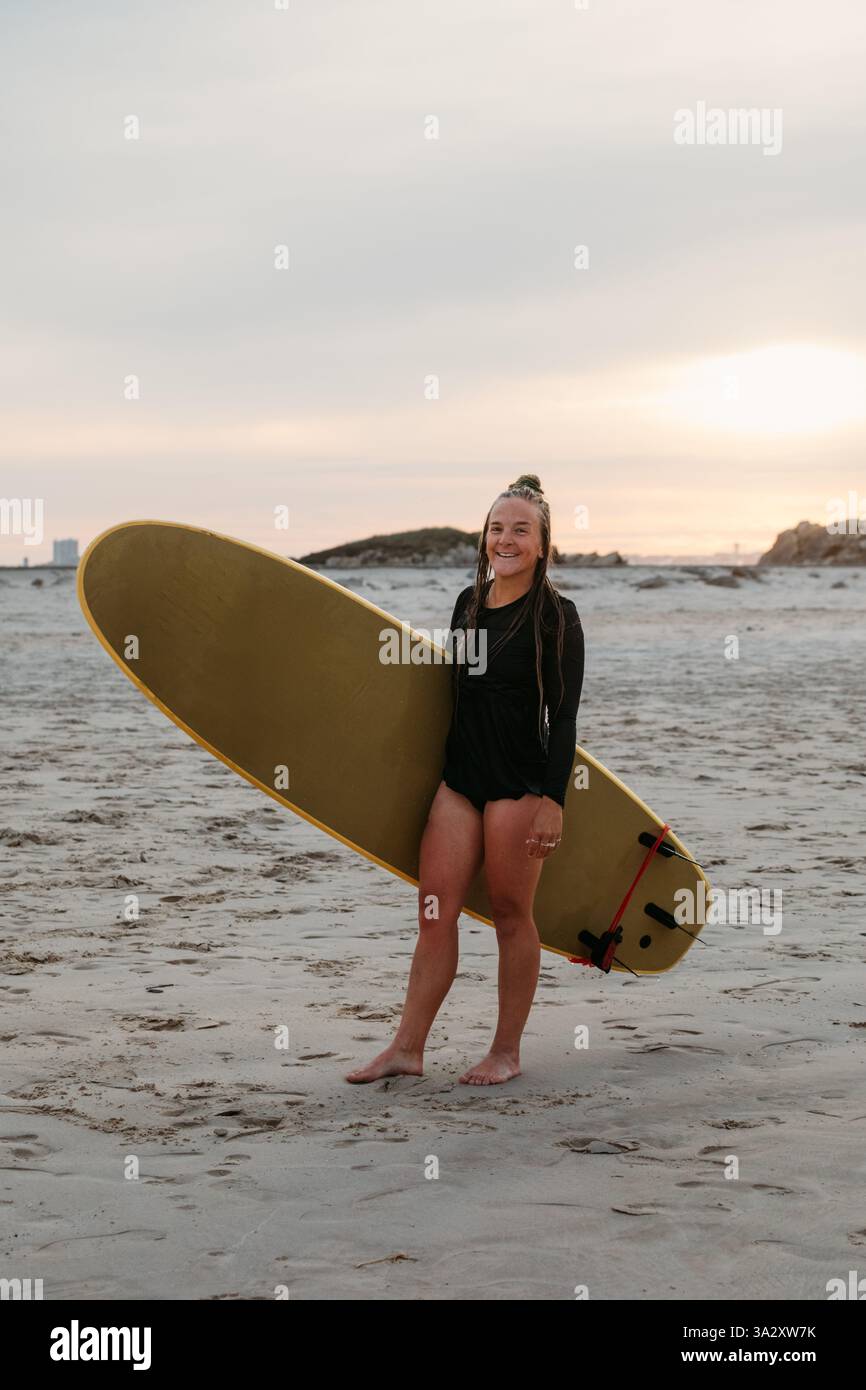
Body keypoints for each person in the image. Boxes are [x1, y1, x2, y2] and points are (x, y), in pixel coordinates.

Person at [346, 474, 585, 1086]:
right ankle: (407, 1047)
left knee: (510, 914)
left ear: (541, 542)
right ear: (485, 539)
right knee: (435, 912)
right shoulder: (467, 603)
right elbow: (448, 696)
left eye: (520, 530)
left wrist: (552, 801)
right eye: (496, 529)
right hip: (460, 783)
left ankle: (505, 1051)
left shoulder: (557, 616)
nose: (505, 539)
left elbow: (563, 718)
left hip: (517, 785)